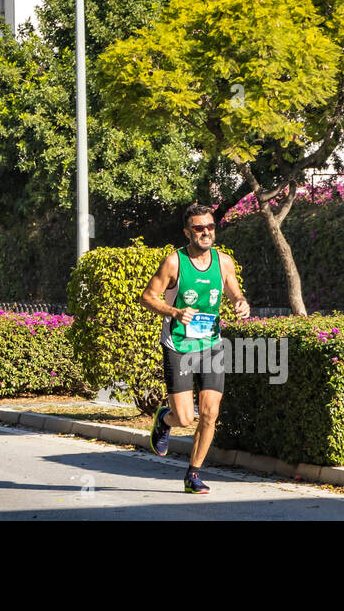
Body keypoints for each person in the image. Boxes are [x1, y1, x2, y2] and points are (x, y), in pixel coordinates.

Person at [139, 203, 250, 494]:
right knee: (186, 418)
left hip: (211, 344)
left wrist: (240, 301)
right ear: (187, 231)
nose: (205, 232)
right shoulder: (174, 262)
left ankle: (194, 474)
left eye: (210, 227)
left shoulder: (223, 261)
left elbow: (233, 288)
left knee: (211, 413)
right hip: (178, 345)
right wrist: (173, 312)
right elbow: (147, 297)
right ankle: (164, 419)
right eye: (199, 228)